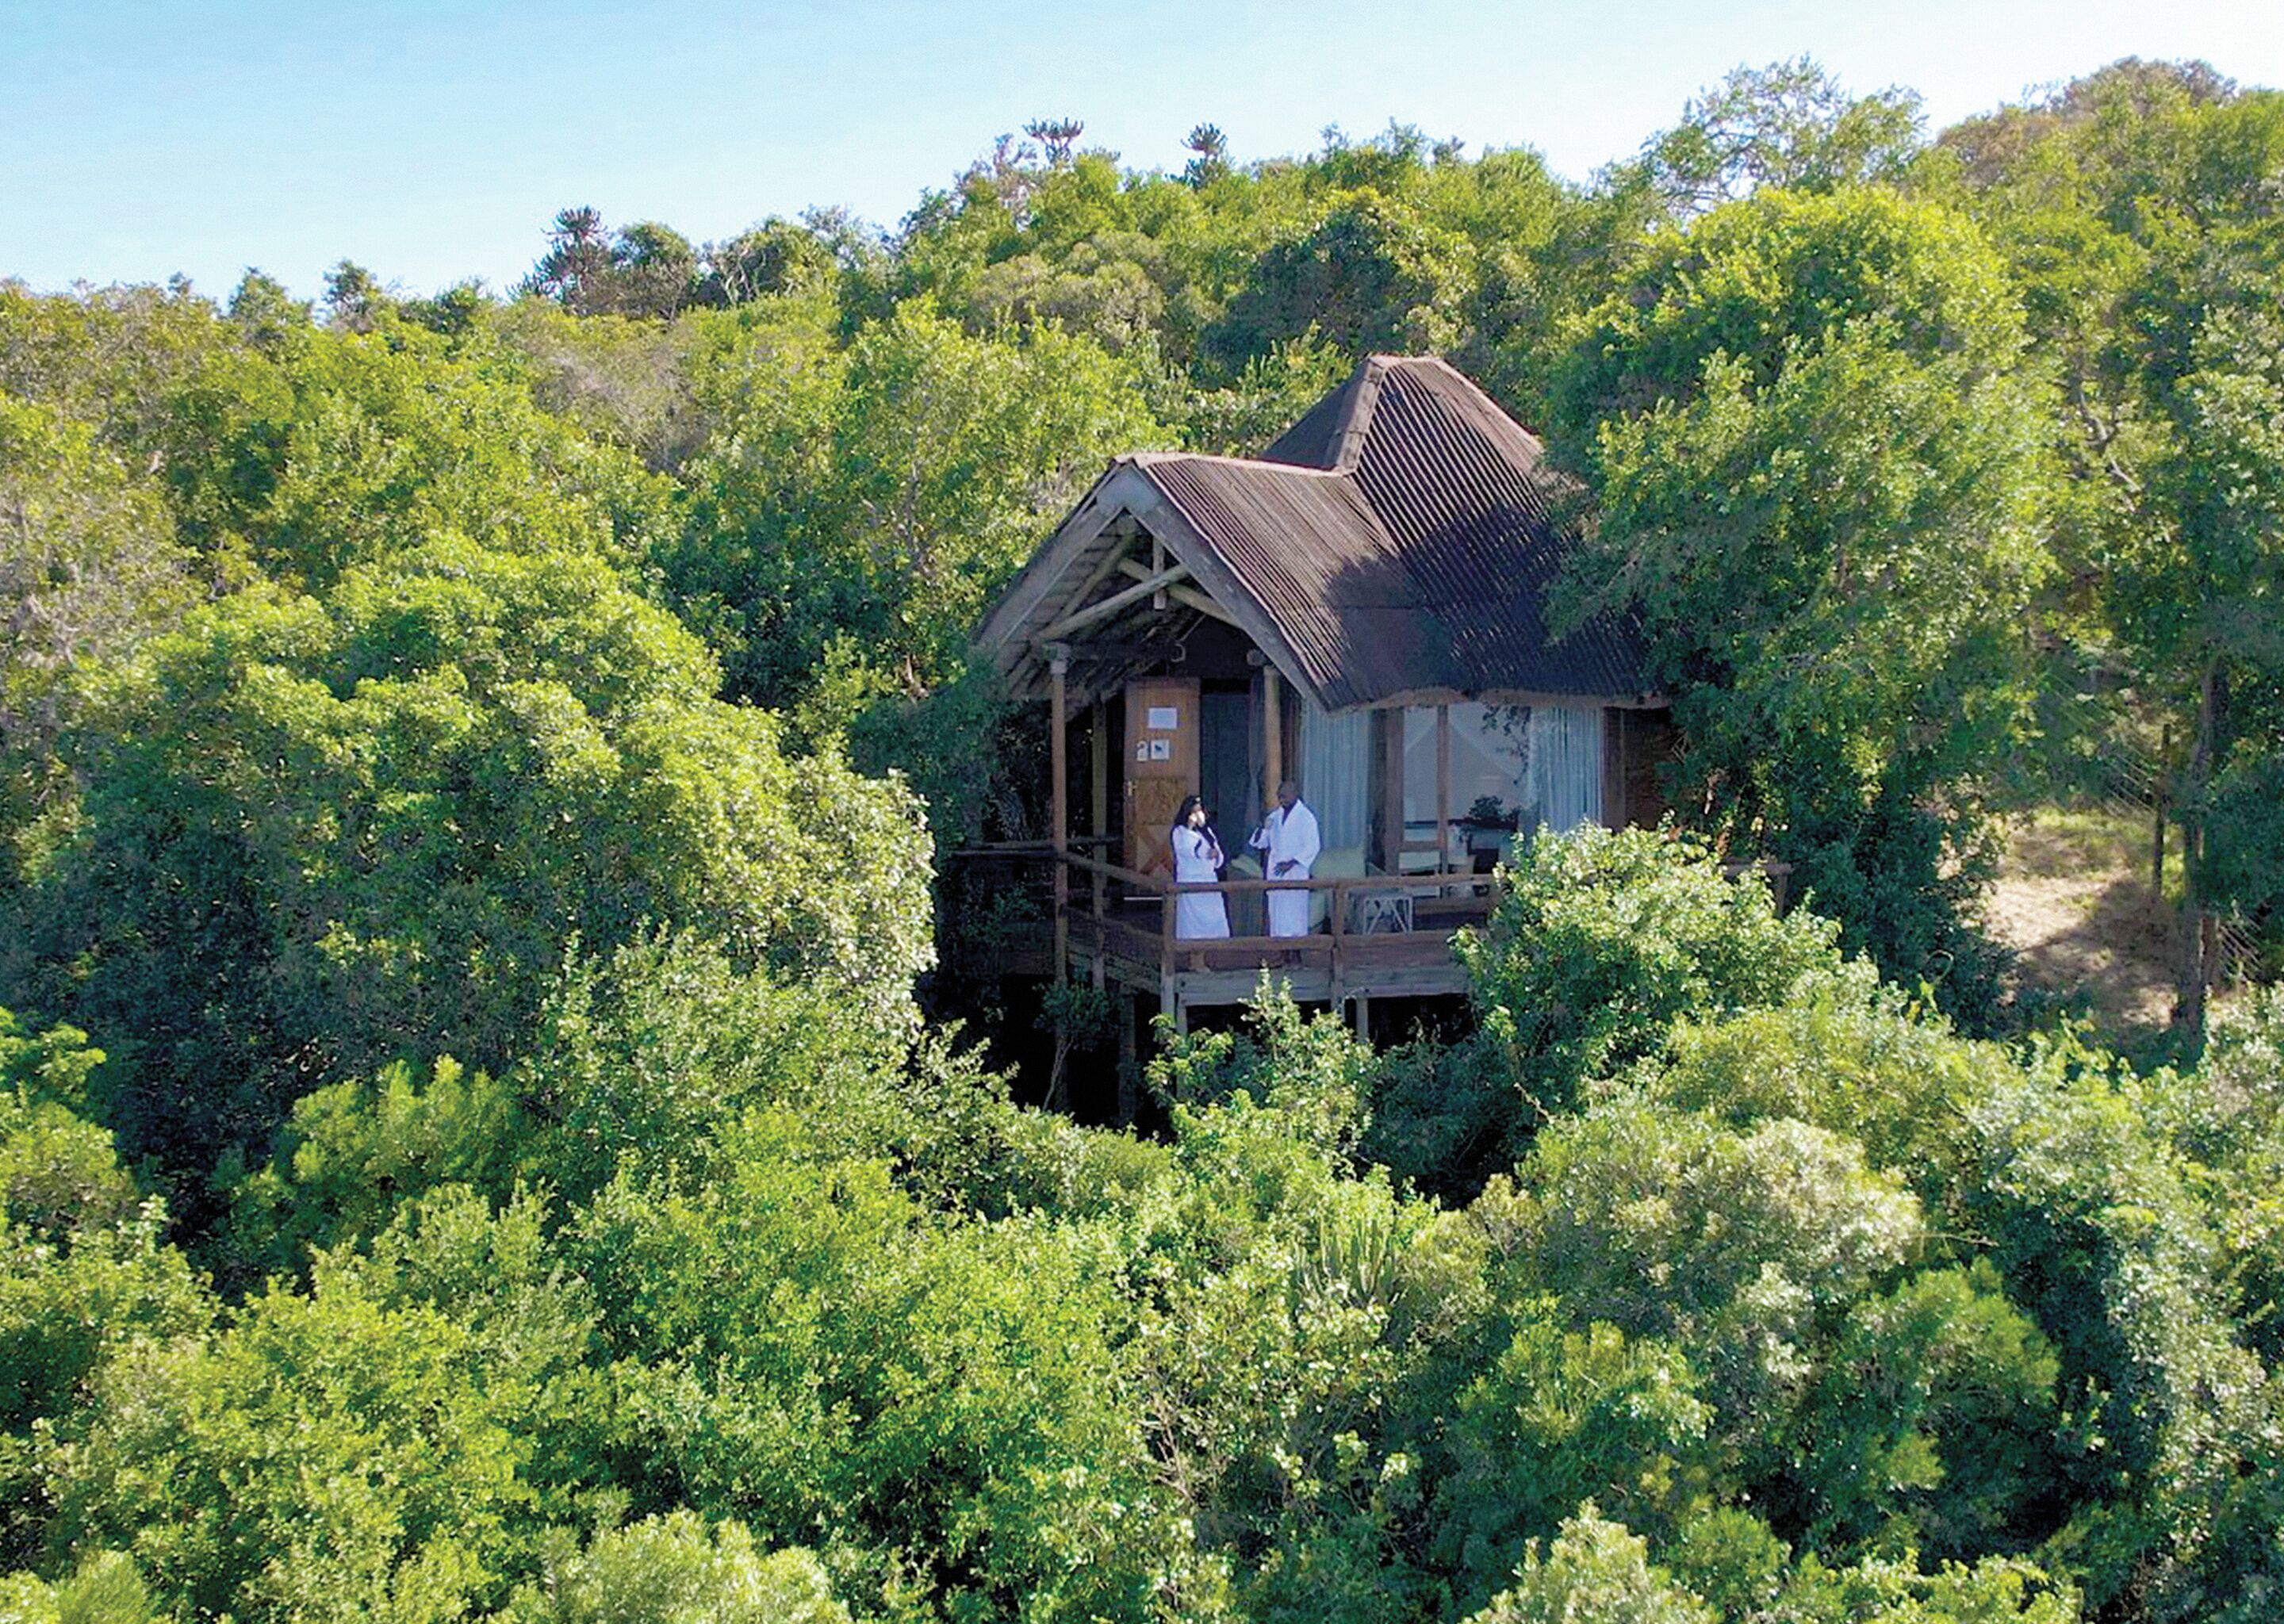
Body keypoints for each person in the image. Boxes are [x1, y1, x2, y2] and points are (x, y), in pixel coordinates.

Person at [1249, 779, 1320, 938]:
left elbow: (1313, 846)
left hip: (1296, 872)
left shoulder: (1306, 817)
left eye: (1285, 797)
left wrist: (1292, 863)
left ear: (1295, 795)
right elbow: (1259, 843)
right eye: (1280, 797)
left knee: (1295, 915)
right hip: (1276, 871)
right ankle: (1280, 952)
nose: (1282, 800)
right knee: (1277, 912)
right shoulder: (1274, 816)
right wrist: (1263, 827)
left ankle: (1296, 953)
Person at [1169, 794, 1230, 940]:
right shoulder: (1180, 832)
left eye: (1200, 811)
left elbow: (1217, 850)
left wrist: (1216, 854)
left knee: (1215, 917)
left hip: (1209, 880)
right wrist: (1190, 828)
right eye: (1194, 812)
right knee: (1192, 922)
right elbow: (1186, 849)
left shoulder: (1207, 831)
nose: (1198, 815)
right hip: (1191, 880)